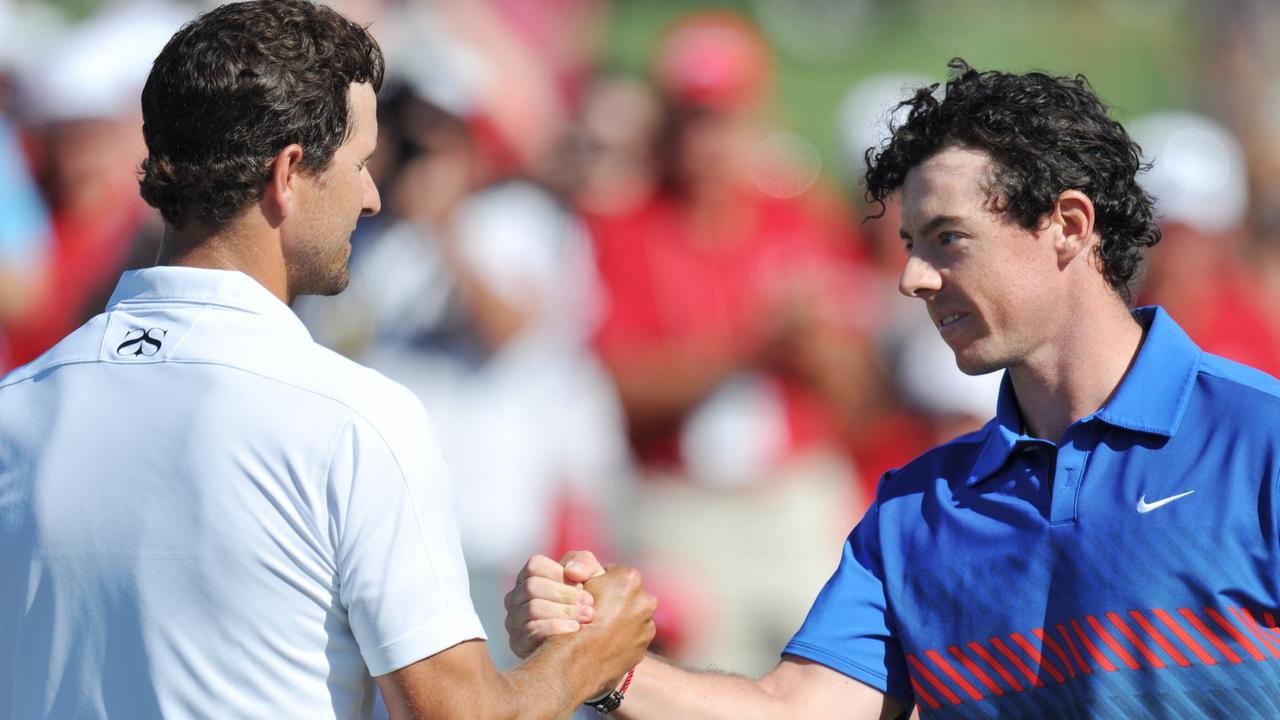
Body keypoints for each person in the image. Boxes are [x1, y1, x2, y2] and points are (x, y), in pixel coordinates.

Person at [507, 58, 1280, 718]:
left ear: (1069, 228)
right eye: (911, 244)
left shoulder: (1260, 439)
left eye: (949, 239)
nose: (913, 276)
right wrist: (604, 666)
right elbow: (800, 708)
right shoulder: (914, 509)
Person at [0, 2, 654, 719]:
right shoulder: (353, 423)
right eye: (362, 163)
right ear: (287, 175)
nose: (373, 196)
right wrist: (592, 659)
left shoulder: (16, 406)